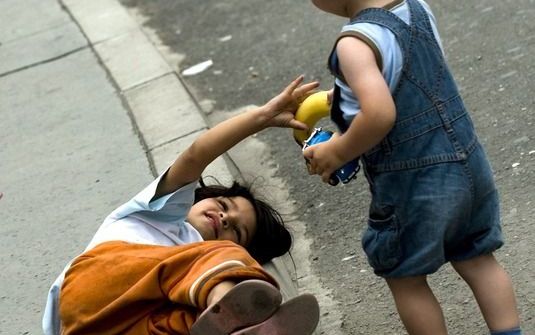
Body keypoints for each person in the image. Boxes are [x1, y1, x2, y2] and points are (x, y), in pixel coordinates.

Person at [303, 0, 523, 334]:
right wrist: (343, 97)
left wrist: (337, 151)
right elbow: (411, 75)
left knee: (405, 277)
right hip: (468, 162)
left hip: (413, 180)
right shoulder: (416, 8)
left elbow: (379, 114)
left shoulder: (353, 44)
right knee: (478, 258)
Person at [42, 76, 321, 335]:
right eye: (224, 204)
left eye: (236, 230)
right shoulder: (163, 215)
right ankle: (235, 308)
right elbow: (195, 155)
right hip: (91, 289)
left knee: (187, 323)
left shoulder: (191, 279)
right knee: (217, 257)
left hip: (111, 328)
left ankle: (240, 327)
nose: (224, 218)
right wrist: (261, 118)